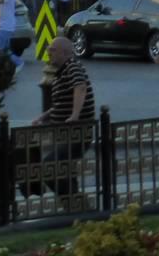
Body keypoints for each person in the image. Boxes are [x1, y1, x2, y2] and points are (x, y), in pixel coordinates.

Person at [21, 36, 96, 206]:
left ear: (64, 52)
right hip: (66, 132)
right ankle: (76, 206)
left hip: (76, 132)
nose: (48, 51)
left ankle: (74, 202)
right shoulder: (63, 71)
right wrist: (43, 117)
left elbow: (80, 87)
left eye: (53, 49)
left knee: (50, 166)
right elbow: (61, 103)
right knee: (65, 169)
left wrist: (75, 115)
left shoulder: (72, 66)